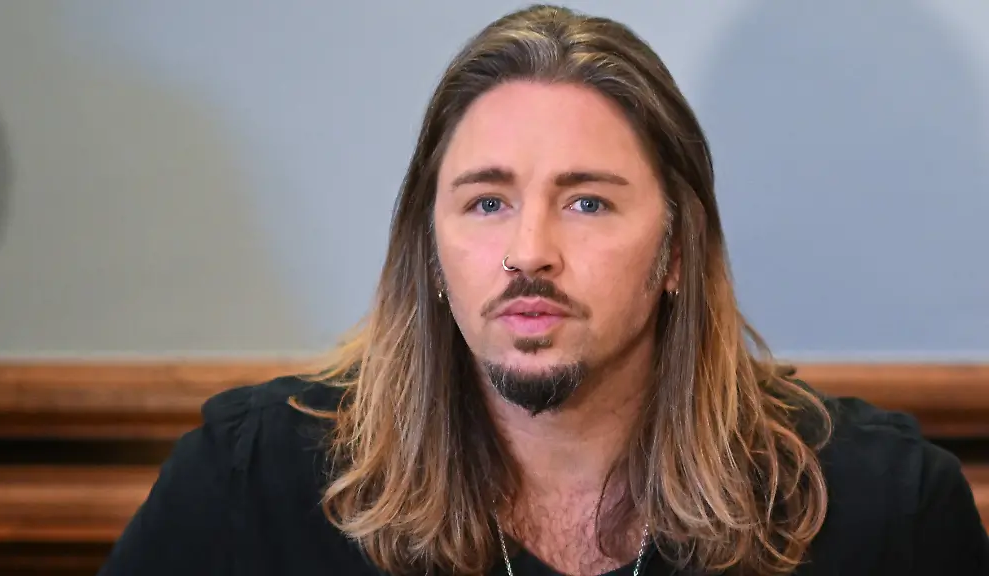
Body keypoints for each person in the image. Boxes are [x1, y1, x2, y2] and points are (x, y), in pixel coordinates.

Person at [98, 5, 989, 575]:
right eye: (487, 202)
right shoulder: (254, 481)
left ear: (678, 251)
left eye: (587, 202)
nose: (530, 252)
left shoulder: (883, 510)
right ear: (430, 250)